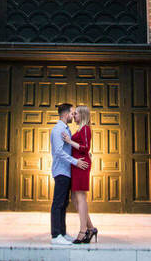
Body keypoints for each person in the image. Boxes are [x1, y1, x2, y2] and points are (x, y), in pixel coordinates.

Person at [50, 102, 87, 246]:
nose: (73, 116)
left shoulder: (66, 129)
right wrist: (75, 162)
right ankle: (55, 235)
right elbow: (59, 152)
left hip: (67, 171)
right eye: (72, 113)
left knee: (64, 203)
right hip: (61, 171)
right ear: (65, 115)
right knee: (58, 203)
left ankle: (62, 233)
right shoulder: (58, 129)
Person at [63, 104, 97, 244]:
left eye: (76, 114)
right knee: (75, 198)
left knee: (80, 197)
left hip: (81, 165)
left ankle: (83, 231)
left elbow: (85, 147)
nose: (74, 116)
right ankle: (91, 228)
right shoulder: (80, 129)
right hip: (76, 164)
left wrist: (70, 141)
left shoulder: (86, 129)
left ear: (82, 115)